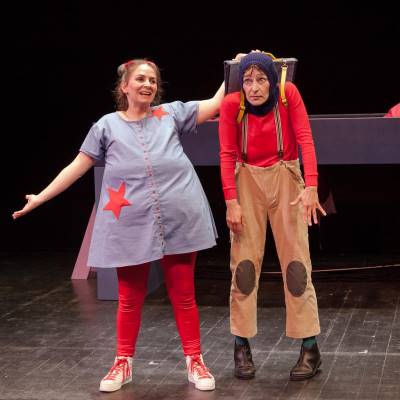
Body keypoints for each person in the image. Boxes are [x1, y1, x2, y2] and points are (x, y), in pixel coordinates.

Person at [12, 57, 231, 392]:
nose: (148, 85)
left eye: (153, 80)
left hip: (179, 218)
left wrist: (237, 67)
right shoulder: (106, 126)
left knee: (184, 295)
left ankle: (195, 360)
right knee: (129, 298)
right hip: (131, 223)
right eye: (141, 79)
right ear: (124, 86)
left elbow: (216, 102)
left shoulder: (170, 114)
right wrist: (40, 197)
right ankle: (122, 363)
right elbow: (77, 166)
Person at [218, 52, 326, 381]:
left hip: (285, 176)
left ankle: (310, 347)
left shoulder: (287, 94)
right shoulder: (231, 105)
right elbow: (226, 153)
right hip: (246, 180)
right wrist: (231, 202)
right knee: (244, 267)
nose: (254, 87)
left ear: (272, 79)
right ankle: (241, 346)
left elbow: (306, 138)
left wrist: (311, 186)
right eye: (247, 80)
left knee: (296, 265)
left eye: (261, 79)